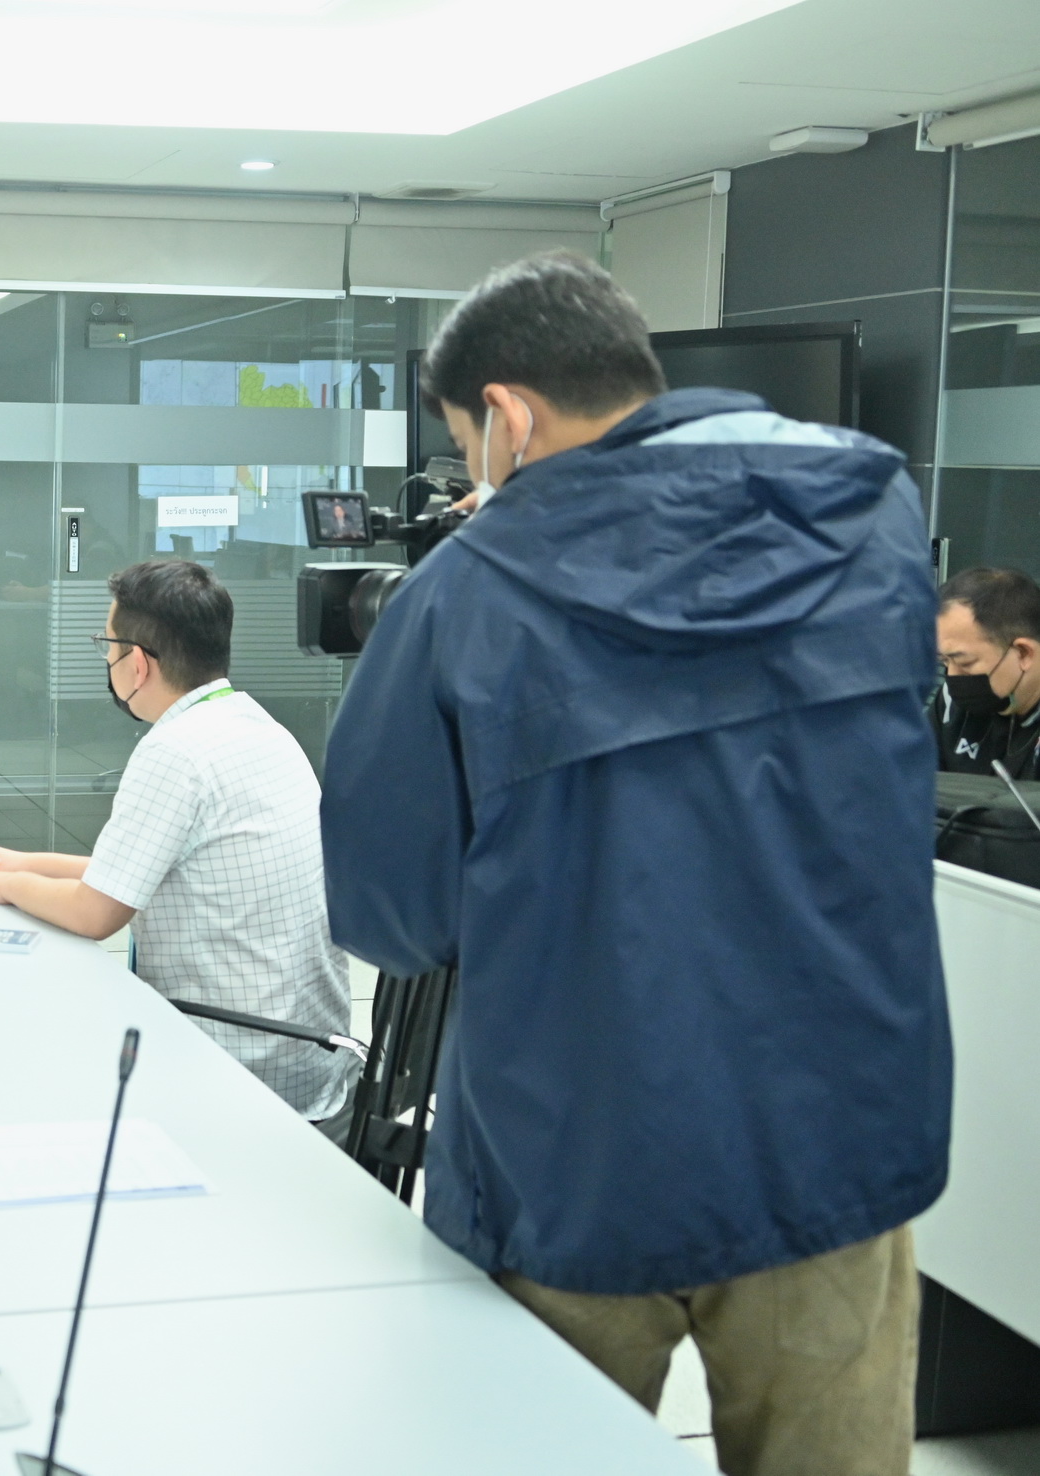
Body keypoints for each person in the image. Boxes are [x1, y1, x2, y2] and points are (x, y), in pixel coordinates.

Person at [320, 252, 948, 1476]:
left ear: (505, 415)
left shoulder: (459, 595)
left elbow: (393, 915)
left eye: (464, 443)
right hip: (836, 1137)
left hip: (573, 1154)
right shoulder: (869, 513)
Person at [0, 558, 355, 1128]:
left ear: (137, 663)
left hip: (236, 1065)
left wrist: (9, 886)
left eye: (106, 646)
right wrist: (23, 861)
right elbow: (150, 867)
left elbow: (95, 914)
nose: (105, 660)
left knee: (15, 1054)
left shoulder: (175, 752)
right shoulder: (257, 727)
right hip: (307, 1059)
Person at [934, 565, 1040, 779]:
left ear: (1023, 653)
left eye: (965, 662)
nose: (952, 676)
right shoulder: (951, 704)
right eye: (944, 660)